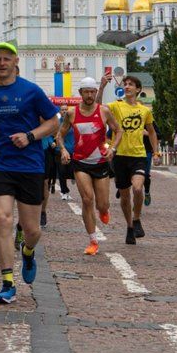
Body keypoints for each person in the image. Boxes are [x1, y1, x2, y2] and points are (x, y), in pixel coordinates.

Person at [0, 43, 59, 304]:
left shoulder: (30, 91)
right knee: (4, 219)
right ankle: (8, 282)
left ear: (15, 61)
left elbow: (53, 122)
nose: (3, 63)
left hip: (29, 165)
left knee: (32, 229)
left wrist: (30, 136)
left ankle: (27, 251)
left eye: (7, 59)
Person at [57, 77, 121, 254]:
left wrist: (113, 148)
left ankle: (103, 210)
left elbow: (119, 130)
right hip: (80, 163)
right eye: (87, 92)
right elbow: (60, 135)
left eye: (93, 92)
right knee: (87, 200)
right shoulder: (71, 113)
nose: (90, 95)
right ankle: (93, 241)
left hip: (100, 162)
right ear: (81, 93)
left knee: (102, 204)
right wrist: (63, 150)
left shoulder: (104, 111)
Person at [100, 73, 159, 244]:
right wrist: (102, 87)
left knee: (138, 188)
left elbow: (152, 131)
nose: (127, 86)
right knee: (125, 196)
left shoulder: (144, 110)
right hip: (120, 156)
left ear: (138, 89)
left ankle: (137, 218)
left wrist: (155, 152)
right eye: (125, 84)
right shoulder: (117, 107)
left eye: (131, 84)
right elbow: (98, 108)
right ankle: (129, 227)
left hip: (138, 155)